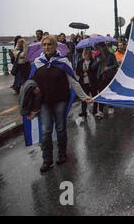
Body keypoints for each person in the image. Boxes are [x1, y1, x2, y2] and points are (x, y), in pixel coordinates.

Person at [30, 35, 93, 173]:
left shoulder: (63, 62)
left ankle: (62, 154)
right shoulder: (37, 62)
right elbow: (30, 82)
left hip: (60, 100)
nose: (47, 47)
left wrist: (84, 97)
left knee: (60, 127)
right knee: (46, 130)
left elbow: (73, 81)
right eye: (44, 45)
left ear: (55, 46)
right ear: (42, 46)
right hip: (44, 101)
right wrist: (33, 88)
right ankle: (47, 160)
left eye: (50, 44)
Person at [92, 42, 118, 119]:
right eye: (98, 48)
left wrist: (108, 68)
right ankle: (100, 110)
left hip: (109, 76)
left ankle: (111, 106)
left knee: (110, 91)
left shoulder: (111, 55)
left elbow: (116, 64)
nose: (99, 49)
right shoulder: (97, 56)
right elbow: (93, 67)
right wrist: (97, 62)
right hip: (100, 76)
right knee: (101, 92)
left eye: (100, 48)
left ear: (104, 47)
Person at [75, 48, 98, 118]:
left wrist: (88, 72)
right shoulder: (80, 62)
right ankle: (83, 112)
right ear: (83, 54)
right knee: (84, 98)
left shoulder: (93, 62)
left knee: (94, 97)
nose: (87, 55)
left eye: (89, 53)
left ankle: (95, 111)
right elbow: (77, 72)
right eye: (86, 53)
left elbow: (95, 71)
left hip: (92, 82)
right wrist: (82, 74)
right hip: (83, 83)